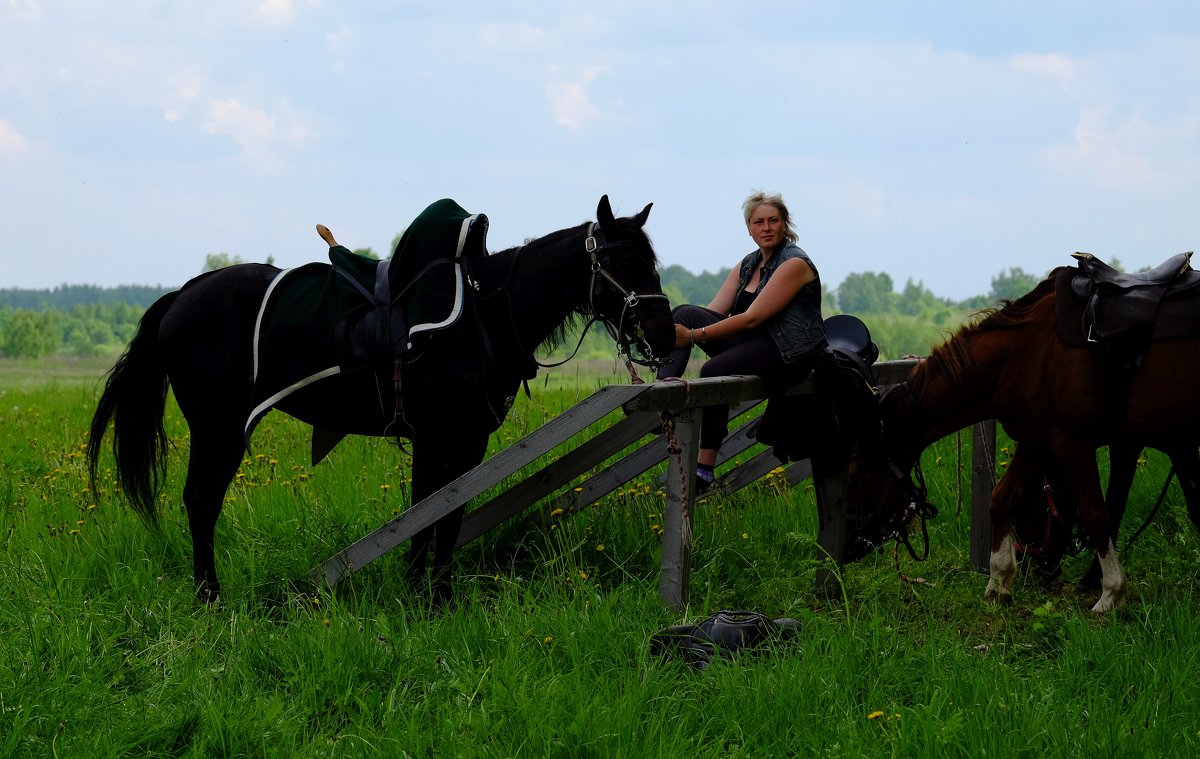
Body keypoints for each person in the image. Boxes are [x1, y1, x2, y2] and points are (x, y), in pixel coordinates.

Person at [656, 191, 828, 492]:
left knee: (712, 371)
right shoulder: (748, 264)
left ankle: (705, 470)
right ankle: (665, 391)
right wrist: (685, 331)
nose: (766, 227)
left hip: (788, 352)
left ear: (784, 224)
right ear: (748, 228)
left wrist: (694, 336)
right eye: (758, 222)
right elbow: (716, 314)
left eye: (773, 220)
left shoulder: (795, 264)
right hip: (752, 344)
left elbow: (752, 319)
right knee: (684, 314)